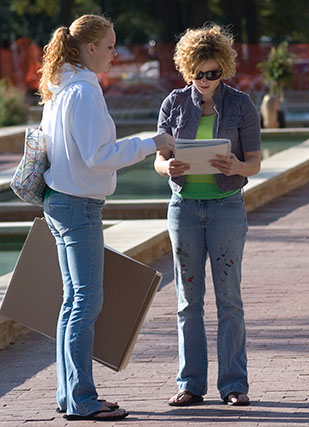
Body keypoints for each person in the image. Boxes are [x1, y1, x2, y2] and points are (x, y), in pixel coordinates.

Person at [38, 14, 174, 421]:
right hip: (77, 205)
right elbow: (100, 156)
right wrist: (152, 143)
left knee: (73, 302)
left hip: (60, 201)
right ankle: (81, 399)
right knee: (85, 301)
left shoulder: (62, 88)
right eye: (111, 46)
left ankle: (71, 395)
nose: (116, 54)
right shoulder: (82, 91)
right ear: (91, 47)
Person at [155, 24, 261, 408]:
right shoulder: (173, 103)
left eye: (213, 73)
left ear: (224, 70)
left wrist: (236, 165)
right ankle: (190, 384)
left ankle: (234, 384)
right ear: (188, 69)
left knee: (229, 299)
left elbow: (255, 163)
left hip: (226, 207)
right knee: (188, 300)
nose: (204, 80)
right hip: (183, 207)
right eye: (198, 73)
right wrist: (166, 168)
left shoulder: (241, 105)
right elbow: (159, 157)